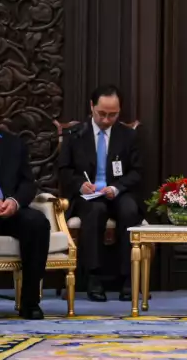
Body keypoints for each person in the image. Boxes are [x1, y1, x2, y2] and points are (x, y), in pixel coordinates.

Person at [58, 84, 143, 302]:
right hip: (88, 196)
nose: (106, 120)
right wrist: (80, 185)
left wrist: (116, 187)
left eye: (112, 115)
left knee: (129, 210)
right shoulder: (75, 134)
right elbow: (64, 170)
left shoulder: (128, 136)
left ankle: (129, 278)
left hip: (118, 192)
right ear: (91, 107)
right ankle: (93, 277)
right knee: (95, 211)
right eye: (101, 114)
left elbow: (137, 171)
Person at [0, 130, 49, 319]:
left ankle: (30, 302)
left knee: (37, 223)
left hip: (8, 210)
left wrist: (14, 201)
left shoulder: (13, 143)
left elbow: (28, 183)